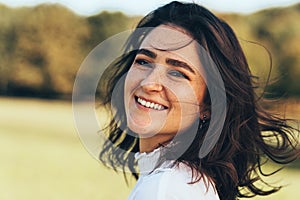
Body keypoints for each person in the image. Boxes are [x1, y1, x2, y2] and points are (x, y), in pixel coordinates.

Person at [98, 1, 300, 200]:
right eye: (143, 61)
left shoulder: (165, 189)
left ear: (210, 105)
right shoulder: (183, 180)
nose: (149, 83)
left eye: (177, 73)